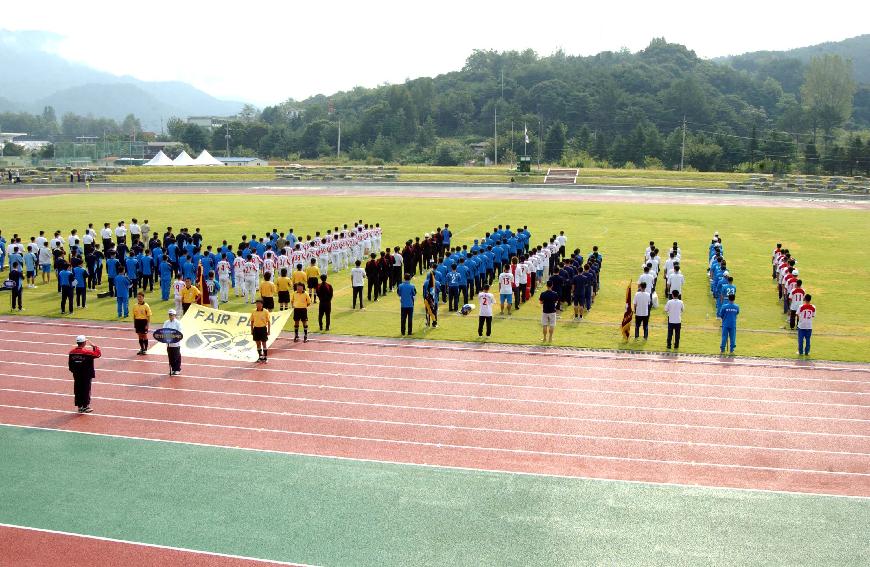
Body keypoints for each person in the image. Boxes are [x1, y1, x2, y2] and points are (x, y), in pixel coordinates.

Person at [68, 335, 101, 413]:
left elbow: (70, 365)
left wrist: (74, 371)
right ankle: (85, 406)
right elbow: (98, 354)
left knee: (78, 389)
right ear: (84, 343)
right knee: (86, 390)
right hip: (86, 375)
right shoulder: (87, 353)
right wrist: (94, 346)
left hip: (76, 374)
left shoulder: (72, 352)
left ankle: (80, 406)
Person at [163, 309, 183, 375]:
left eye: (172, 315)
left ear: (174, 315)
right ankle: (173, 368)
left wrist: (174, 336)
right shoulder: (166, 322)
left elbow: (179, 332)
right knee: (170, 356)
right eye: (169, 314)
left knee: (176, 356)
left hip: (176, 343)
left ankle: (177, 369)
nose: (170, 316)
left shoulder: (178, 323)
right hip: (168, 343)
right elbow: (163, 331)